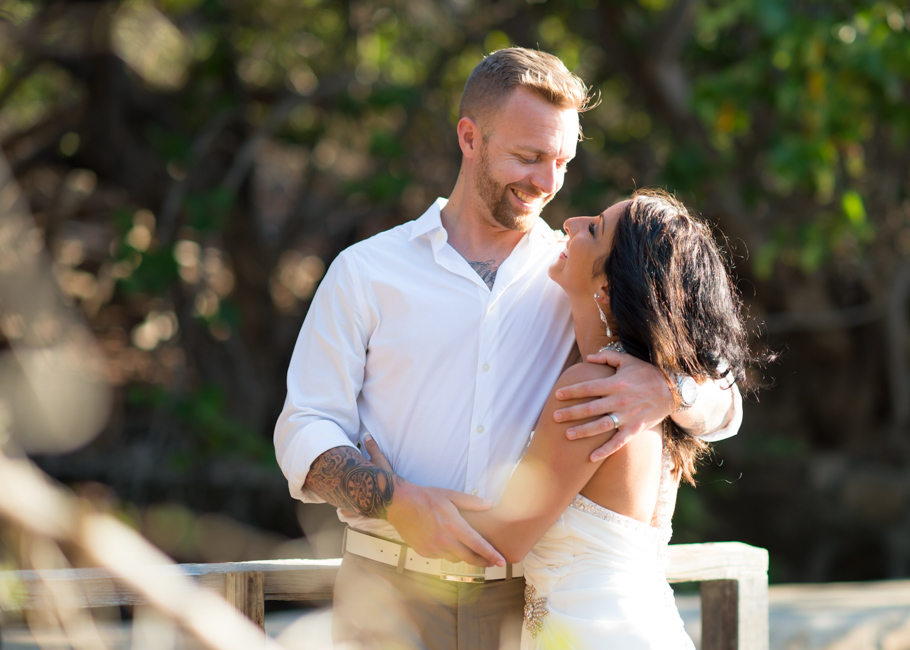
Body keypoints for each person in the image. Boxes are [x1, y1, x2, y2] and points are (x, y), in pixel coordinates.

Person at [274, 48, 743, 650]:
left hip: (516, 602)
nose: (547, 183)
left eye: (562, 162)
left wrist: (666, 387)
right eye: (527, 157)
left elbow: (722, 394)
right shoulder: (366, 271)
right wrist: (392, 500)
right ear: (470, 138)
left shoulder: (572, 274)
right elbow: (304, 428)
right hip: (387, 593)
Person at [368, 189, 755, 648]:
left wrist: (390, 490)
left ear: (607, 288)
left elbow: (501, 540)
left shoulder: (598, 386)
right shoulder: (641, 377)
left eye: (594, 229)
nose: (569, 223)